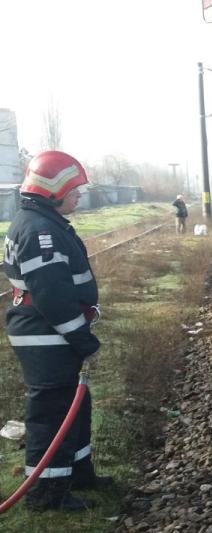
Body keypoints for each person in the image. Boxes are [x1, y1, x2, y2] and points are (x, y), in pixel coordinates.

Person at [4, 151, 109, 512]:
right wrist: (83, 340)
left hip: (50, 334)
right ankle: (46, 495)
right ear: (52, 191)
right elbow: (53, 297)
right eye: (73, 189)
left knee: (75, 405)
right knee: (52, 412)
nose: (79, 195)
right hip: (46, 335)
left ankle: (78, 474)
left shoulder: (42, 222)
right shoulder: (41, 232)